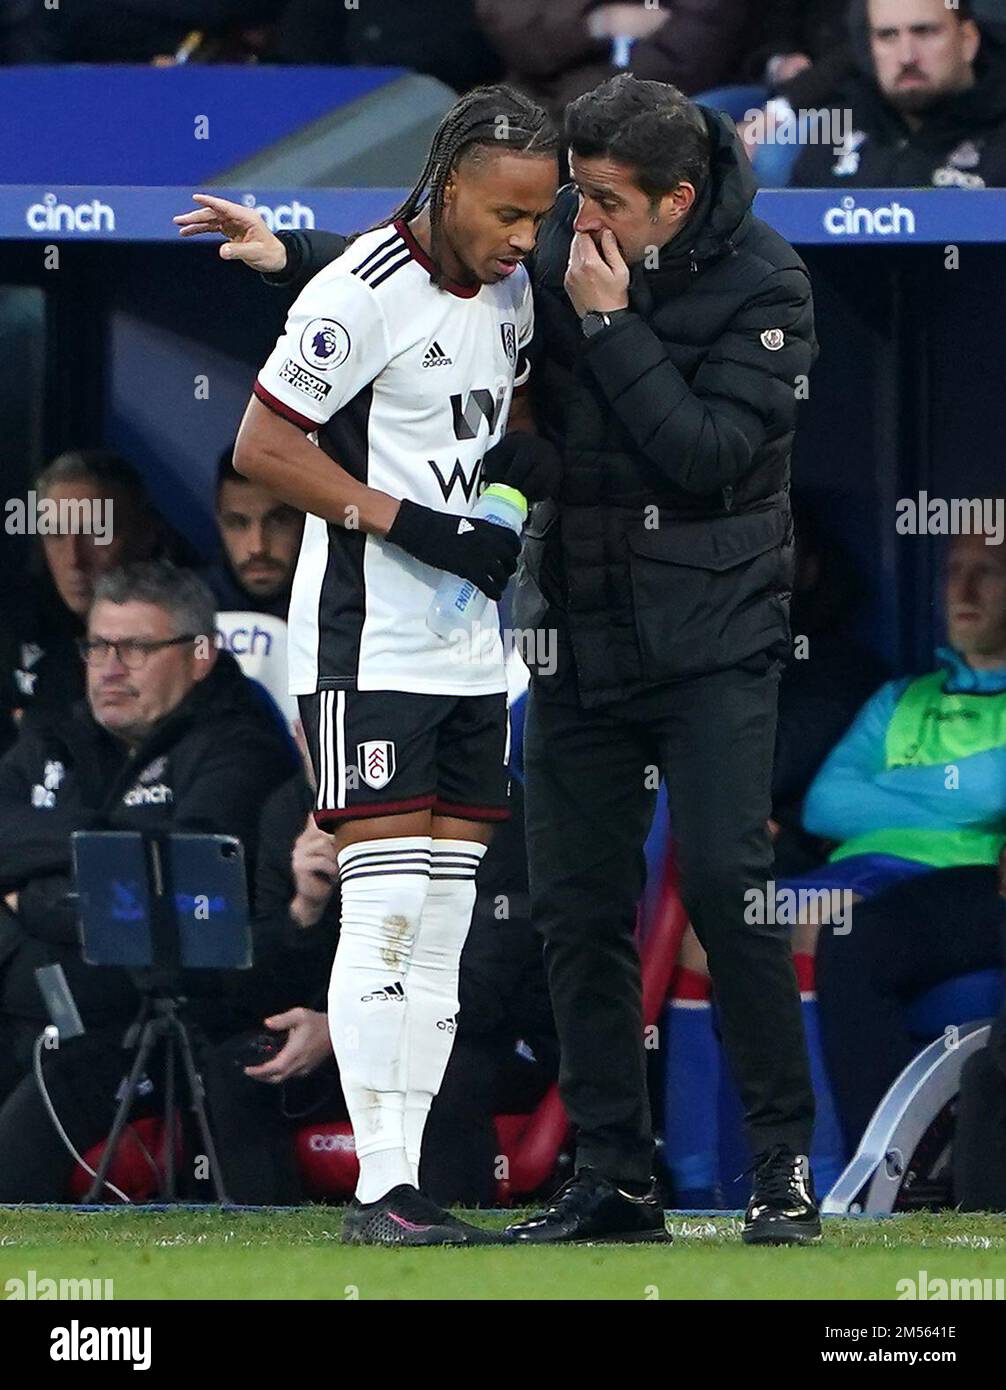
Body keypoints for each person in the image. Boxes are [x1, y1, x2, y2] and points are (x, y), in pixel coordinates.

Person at [176, 71, 821, 1247]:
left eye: (594, 204)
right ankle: (576, 1181)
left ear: (675, 202)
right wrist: (297, 256)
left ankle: (778, 1168)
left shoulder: (765, 281)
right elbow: (418, 268)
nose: (559, 231)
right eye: (553, 204)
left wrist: (613, 327)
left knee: (717, 893)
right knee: (525, 912)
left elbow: (701, 453)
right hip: (524, 637)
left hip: (700, 642)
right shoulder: (547, 237)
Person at [179, 85, 560, 1244]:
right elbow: (260, 445)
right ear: (448, 187)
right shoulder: (353, 295)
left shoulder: (508, 288)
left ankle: (409, 1186)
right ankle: (380, 1185)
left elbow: (512, 417)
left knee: (441, 924)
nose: (521, 240)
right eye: (504, 213)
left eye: (538, 219)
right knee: (384, 910)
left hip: (469, 656)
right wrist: (407, 521)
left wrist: (497, 500)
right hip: (364, 648)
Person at [0, 560, 296, 1192]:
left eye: (134, 648)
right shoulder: (62, 725)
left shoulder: (241, 743)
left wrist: (33, 900)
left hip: (157, 1021)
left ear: (198, 655)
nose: (109, 668)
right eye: (98, 646)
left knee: (20, 1140)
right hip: (31, 1001)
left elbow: (182, 879)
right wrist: (107, 847)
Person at [807, 528, 1006, 1151]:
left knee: (830, 929)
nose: (965, 589)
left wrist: (892, 791)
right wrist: (960, 796)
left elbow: (992, 795)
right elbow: (825, 804)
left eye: (989, 570)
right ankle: (707, 1178)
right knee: (719, 931)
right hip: (858, 872)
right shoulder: (901, 696)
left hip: (961, 881)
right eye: (954, 569)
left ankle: (862, 1175)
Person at [3, 449, 171, 731]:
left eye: (96, 532)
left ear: (145, 534)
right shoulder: (16, 620)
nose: (74, 559)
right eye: (56, 534)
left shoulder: (183, 635)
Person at [791, 0, 1006, 189]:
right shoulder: (837, 130)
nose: (907, 56)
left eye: (924, 31)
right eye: (888, 35)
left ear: (968, 39)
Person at [475, 0, 750, 124]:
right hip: (536, 97)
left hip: (648, 108)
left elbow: (695, 48)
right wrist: (595, 25)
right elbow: (515, 32)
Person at [203, 444, 304, 619]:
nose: (258, 547)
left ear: (306, 520)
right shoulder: (181, 615)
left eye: (278, 522)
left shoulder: (348, 606)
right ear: (219, 523)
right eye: (237, 523)